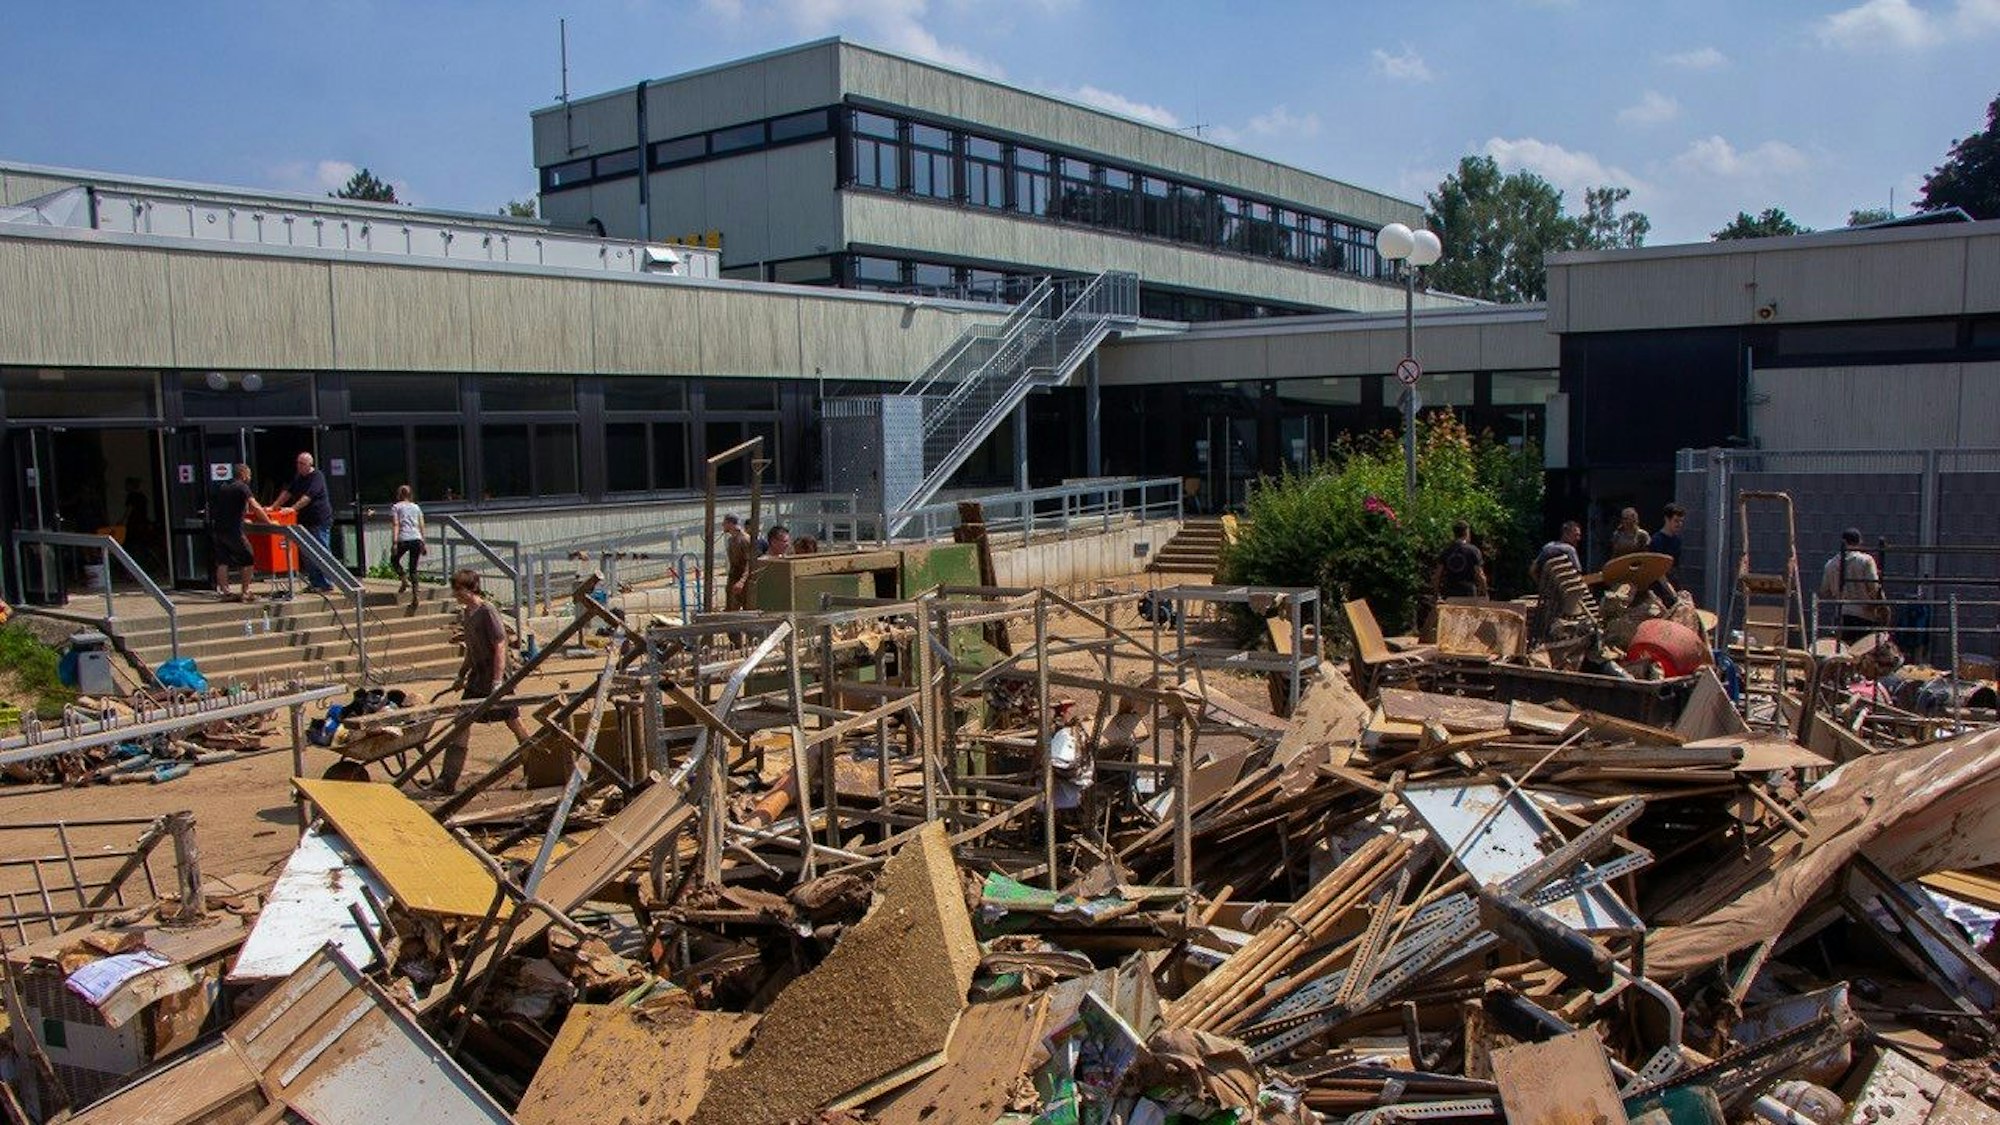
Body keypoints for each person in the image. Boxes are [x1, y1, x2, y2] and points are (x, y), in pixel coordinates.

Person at [429, 569, 532, 795]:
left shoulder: (488, 611)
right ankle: (448, 779)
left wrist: (497, 681)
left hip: (495, 677)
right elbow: (471, 648)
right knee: (462, 722)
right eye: (455, 590)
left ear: (471, 589)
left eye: (459, 590)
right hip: (477, 678)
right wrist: (461, 674)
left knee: (513, 722)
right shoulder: (468, 613)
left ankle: (533, 771)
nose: (456, 594)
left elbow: (500, 645)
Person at [271, 452, 335, 593]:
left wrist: (292, 509)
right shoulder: (298, 477)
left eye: (302, 464)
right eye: (298, 463)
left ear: (309, 464)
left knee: (321, 550)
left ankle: (327, 583)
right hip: (304, 521)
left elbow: (308, 497)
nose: (299, 466)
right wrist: (274, 506)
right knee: (306, 553)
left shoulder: (317, 477)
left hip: (319, 520)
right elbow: (288, 492)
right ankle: (315, 582)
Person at [209, 464, 271, 602]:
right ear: (243, 474)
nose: (250, 478)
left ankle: (225, 593)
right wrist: (269, 522)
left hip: (219, 530)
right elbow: (255, 506)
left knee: (222, 561)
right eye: (249, 475)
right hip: (234, 530)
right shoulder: (242, 487)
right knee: (248, 558)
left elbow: (227, 508)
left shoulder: (223, 487)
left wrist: (243, 518)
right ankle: (245, 591)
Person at [1819, 528, 1886, 643]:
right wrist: (1882, 606)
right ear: (1860, 542)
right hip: (1864, 614)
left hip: (1842, 614)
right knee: (1863, 649)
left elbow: (1824, 591)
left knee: (1844, 648)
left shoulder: (1830, 564)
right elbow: (1874, 587)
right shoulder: (1866, 560)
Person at [1432, 521, 1489, 599]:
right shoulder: (1473, 551)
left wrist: (1436, 593)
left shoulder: (1446, 551)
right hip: (1468, 592)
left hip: (1449, 592)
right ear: (1467, 533)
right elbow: (1480, 574)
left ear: (1454, 533)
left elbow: (1437, 575)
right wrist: (1484, 592)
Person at [389, 484, 426, 599]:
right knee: (413, 568)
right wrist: (423, 542)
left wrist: (395, 542)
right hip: (416, 538)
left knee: (394, 559)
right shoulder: (416, 507)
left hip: (403, 538)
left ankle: (403, 578)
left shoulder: (396, 507)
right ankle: (415, 594)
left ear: (399, 494)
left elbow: (396, 524)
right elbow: (421, 525)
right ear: (410, 495)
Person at [1649, 503, 1687, 601]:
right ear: (1667, 519)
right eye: (1676, 521)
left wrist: (1680, 590)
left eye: (1681, 521)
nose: (1679, 524)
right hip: (1658, 590)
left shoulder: (1677, 541)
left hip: (1672, 586)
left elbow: (1675, 568)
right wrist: (1673, 594)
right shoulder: (1656, 540)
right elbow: (1658, 571)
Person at [1530, 521, 1583, 586]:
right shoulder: (1570, 549)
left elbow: (1533, 570)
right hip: (1567, 589)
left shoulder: (1547, 547)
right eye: (1576, 535)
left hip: (1548, 590)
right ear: (1566, 534)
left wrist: (1542, 586)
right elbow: (1578, 575)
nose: (1578, 539)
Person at [723, 514, 754, 612]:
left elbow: (750, 562)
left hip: (744, 580)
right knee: (731, 610)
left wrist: (742, 581)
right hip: (734, 578)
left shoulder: (744, 539)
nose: (723, 525)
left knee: (747, 609)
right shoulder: (731, 540)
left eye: (725, 523)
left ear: (730, 524)